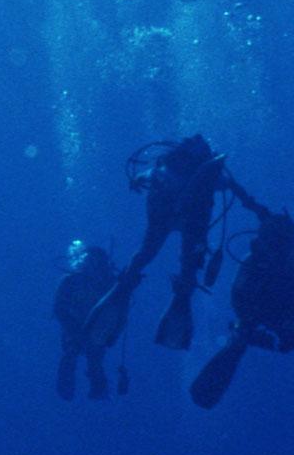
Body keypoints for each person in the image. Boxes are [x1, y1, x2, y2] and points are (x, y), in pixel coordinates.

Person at [84, 135, 271, 352]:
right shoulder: (206, 174)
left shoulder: (177, 170)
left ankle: (126, 285)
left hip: (168, 218)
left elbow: (147, 176)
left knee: (147, 254)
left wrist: (137, 180)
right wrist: (258, 210)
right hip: (184, 221)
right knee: (179, 265)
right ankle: (176, 292)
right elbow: (236, 189)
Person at [188, 208, 294, 408]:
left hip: (283, 316)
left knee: (253, 341)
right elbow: (237, 296)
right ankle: (240, 340)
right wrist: (249, 322)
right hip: (254, 312)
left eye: (279, 247)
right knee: (239, 342)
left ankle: (244, 340)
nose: (274, 253)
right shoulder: (254, 259)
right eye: (271, 246)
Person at [51, 240, 128, 400]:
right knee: (74, 355)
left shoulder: (111, 284)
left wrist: (114, 333)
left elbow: (122, 311)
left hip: (97, 329)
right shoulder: (71, 281)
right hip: (75, 328)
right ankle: (74, 391)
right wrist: (75, 330)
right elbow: (59, 309)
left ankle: (97, 392)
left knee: (94, 359)